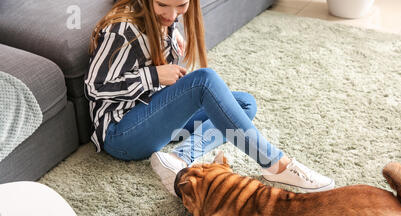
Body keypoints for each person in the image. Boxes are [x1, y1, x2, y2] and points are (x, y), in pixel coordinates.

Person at [84, 0, 334, 195]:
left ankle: (178, 158)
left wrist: (169, 34)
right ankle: (277, 165)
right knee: (204, 80)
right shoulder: (121, 30)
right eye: (162, 5)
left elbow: (166, 19)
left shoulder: (164, 19)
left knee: (244, 103)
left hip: (153, 117)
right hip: (121, 135)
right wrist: (154, 75)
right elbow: (93, 87)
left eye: (181, 5)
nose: (172, 16)